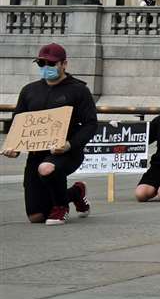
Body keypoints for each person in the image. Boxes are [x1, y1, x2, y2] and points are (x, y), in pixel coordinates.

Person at [5, 43, 97, 224]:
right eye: (41, 63)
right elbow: (18, 121)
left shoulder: (79, 90)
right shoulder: (29, 90)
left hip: (67, 152)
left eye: (51, 63)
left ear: (64, 64)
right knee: (36, 216)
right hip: (36, 153)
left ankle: (61, 207)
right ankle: (76, 193)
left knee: (46, 168)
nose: (46, 67)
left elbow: (90, 124)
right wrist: (13, 146)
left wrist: (70, 144)